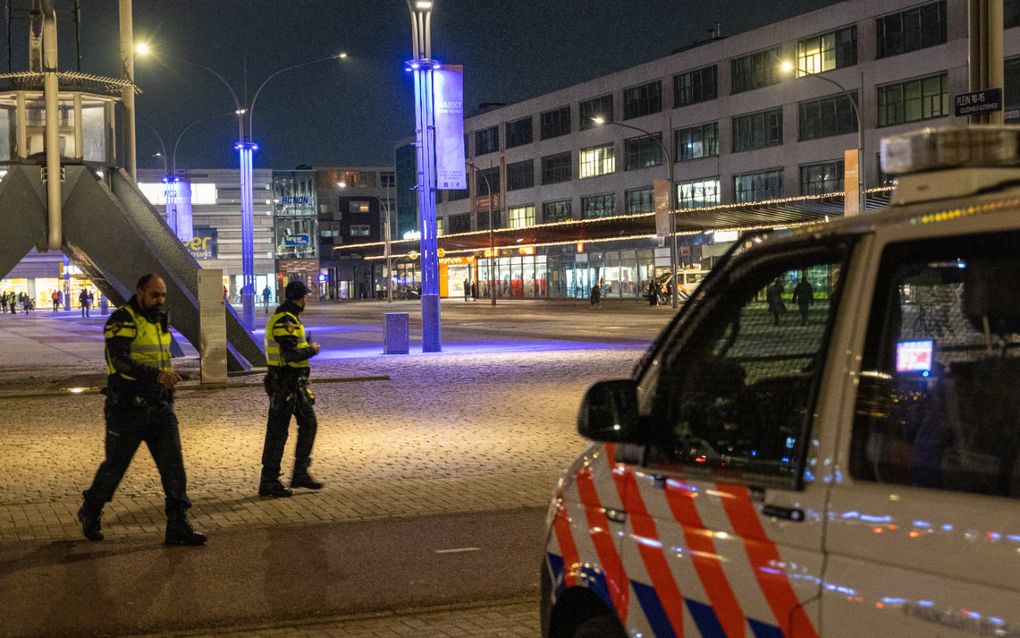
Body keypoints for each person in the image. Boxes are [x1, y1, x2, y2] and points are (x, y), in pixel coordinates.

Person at [77, 274, 206, 546]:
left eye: (163, 295)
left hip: (159, 406)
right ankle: (91, 509)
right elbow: (121, 361)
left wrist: (168, 386)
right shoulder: (122, 320)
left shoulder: (159, 320)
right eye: (154, 295)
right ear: (139, 293)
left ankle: (178, 524)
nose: (160, 300)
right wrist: (156, 376)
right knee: (115, 467)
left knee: (173, 468)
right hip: (127, 407)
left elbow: (160, 358)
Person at [259, 280, 323, 498]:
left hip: (294, 384)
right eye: (306, 296)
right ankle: (269, 481)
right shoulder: (284, 321)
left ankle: (300, 472)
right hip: (283, 384)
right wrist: (312, 350)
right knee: (277, 433)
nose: (307, 300)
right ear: (300, 298)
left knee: (309, 423)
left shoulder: (292, 319)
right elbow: (290, 354)